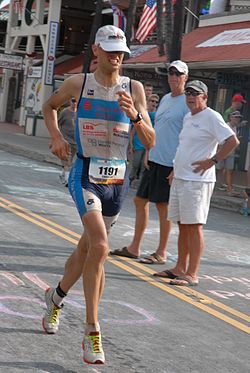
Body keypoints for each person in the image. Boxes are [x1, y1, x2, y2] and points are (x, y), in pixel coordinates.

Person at [41, 25, 155, 365]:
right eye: (109, 50)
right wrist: (57, 136)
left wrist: (134, 114)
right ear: (96, 51)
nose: (116, 56)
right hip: (85, 172)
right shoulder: (79, 84)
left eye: (120, 51)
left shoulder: (134, 89)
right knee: (101, 246)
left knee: (89, 250)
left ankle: (55, 298)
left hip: (117, 181)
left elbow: (150, 141)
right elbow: (49, 107)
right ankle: (92, 331)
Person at [154, 80, 239, 285]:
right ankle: (180, 268)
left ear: (205, 97)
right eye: (188, 93)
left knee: (194, 227)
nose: (191, 97)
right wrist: (176, 169)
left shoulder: (211, 117)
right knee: (183, 225)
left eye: (196, 93)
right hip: (181, 177)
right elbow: (185, 147)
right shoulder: (187, 117)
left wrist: (213, 161)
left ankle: (192, 273)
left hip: (197, 182)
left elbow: (232, 141)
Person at [110, 60, 189, 264]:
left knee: (163, 206)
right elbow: (156, 128)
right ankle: (134, 247)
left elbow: (188, 136)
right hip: (154, 157)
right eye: (171, 73)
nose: (173, 77)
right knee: (139, 200)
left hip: (170, 162)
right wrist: (147, 150)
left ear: (185, 77)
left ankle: (161, 252)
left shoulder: (187, 103)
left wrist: (178, 166)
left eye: (178, 74)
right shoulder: (165, 99)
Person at [129, 93, 159, 186]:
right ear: (147, 102)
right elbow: (134, 128)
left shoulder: (158, 115)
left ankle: (140, 184)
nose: (154, 103)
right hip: (138, 143)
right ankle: (130, 181)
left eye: (156, 102)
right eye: (152, 101)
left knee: (144, 166)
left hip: (149, 145)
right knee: (135, 164)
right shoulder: (142, 113)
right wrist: (130, 142)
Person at [216, 110, 242, 195]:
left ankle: (229, 189)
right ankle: (212, 184)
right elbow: (221, 139)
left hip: (231, 152)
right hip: (223, 151)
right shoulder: (226, 126)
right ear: (231, 117)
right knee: (218, 169)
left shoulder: (235, 127)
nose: (237, 119)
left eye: (239, 118)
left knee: (229, 170)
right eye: (235, 117)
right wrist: (222, 152)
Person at [58, 98, 77, 186]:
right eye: (73, 101)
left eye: (76, 101)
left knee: (71, 160)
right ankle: (67, 180)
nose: (75, 103)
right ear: (70, 101)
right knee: (67, 160)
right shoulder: (65, 112)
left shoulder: (80, 112)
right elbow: (58, 123)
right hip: (66, 139)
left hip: (76, 141)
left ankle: (63, 174)